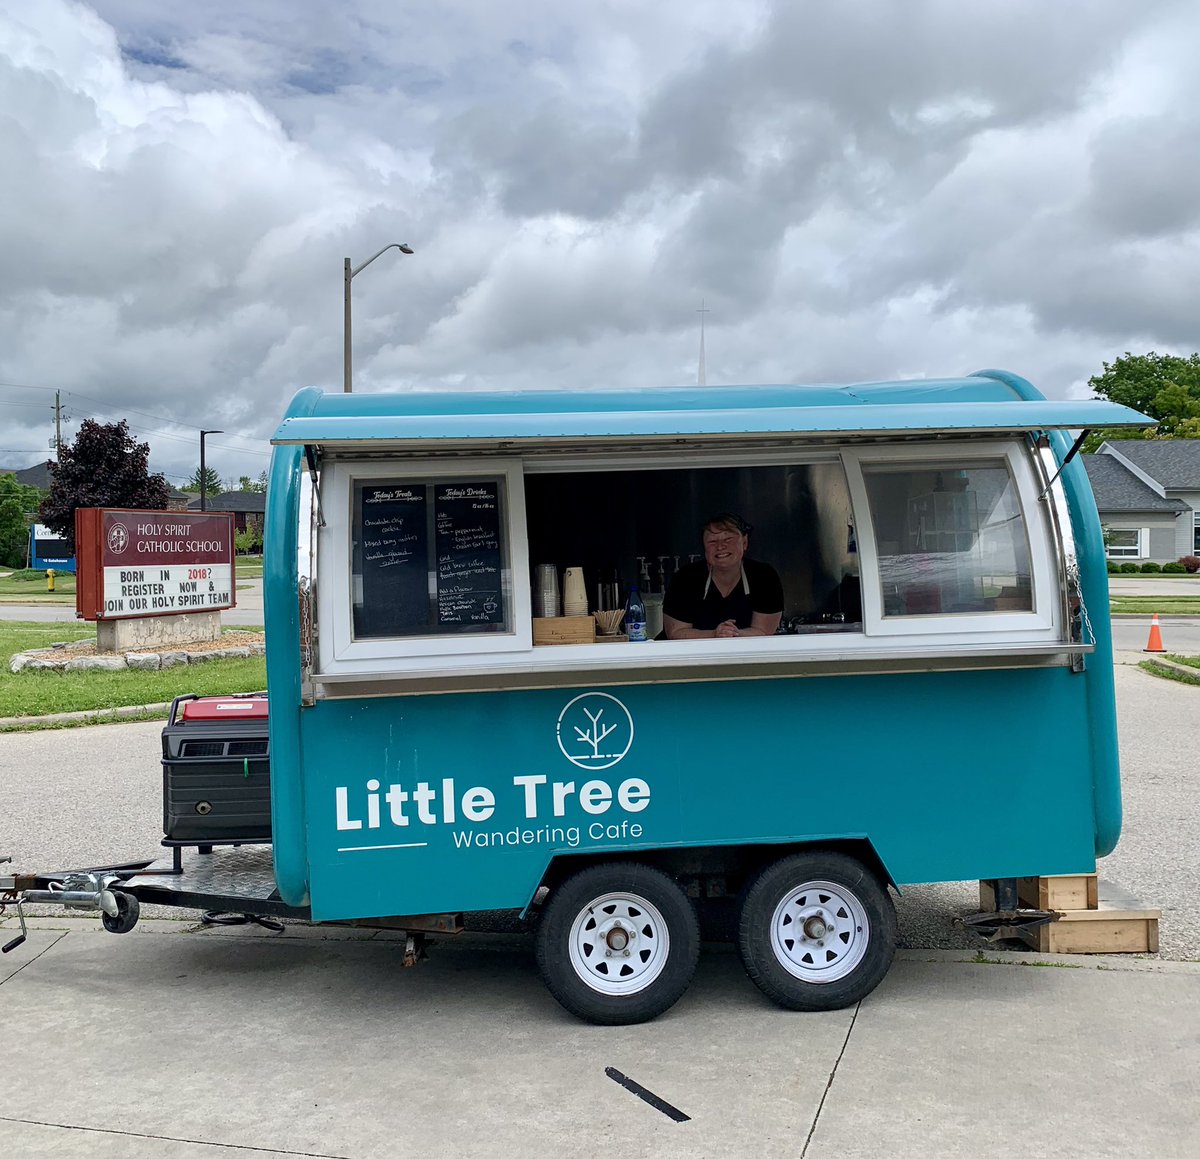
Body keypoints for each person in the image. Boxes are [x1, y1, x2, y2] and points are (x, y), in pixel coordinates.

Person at [662, 513, 783, 639]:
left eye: (728, 539)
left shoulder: (764, 576)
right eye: (712, 541)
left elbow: (764, 632)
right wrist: (715, 634)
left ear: (745, 542)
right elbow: (676, 633)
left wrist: (733, 634)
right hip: (692, 656)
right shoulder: (685, 578)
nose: (720, 546)